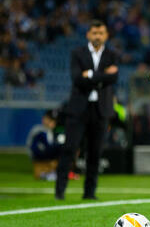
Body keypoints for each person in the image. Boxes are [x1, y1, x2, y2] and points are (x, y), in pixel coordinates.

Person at [55, 20, 119, 200]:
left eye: (101, 33)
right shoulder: (77, 53)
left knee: (95, 153)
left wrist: (89, 74)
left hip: (100, 111)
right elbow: (77, 78)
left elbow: (114, 78)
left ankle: (89, 194)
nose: (97, 36)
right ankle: (60, 192)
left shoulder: (112, 54)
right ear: (88, 35)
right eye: (94, 33)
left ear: (106, 35)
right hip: (78, 109)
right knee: (69, 149)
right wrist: (102, 76)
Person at [26, 109, 62, 181]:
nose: (52, 123)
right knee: (60, 147)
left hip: (48, 156)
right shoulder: (38, 130)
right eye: (50, 120)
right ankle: (48, 173)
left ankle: (55, 172)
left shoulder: (52, 132)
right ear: (44, 119)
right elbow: (35, 148)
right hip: (38, 156)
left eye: (53, 121)